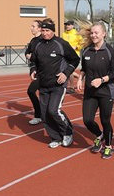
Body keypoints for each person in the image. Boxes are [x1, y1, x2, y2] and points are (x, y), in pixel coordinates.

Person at [30, 20, 80, 148]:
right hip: (43, 84)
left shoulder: (61, 44)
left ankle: (67, 132)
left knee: (54, 111)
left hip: (58, 84)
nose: (45, 33)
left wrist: (66, 73)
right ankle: (55, 137)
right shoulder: (38, 44)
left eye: (48, 31)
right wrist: (33, 70)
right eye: (43, 31)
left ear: (53, 31)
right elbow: (33, 61)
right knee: (45, 113)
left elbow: (75, 60)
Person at [76, 22, 114, 159]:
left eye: (96, 33)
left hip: (106, 91)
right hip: (90, 91)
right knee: (87, 120)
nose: (93, 35)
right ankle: (99, 135)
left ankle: (108, 146)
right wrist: (80, 79)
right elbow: (84, 68)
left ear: (104, 34)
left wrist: (101, 80)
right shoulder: (87, 51)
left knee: (105, 120)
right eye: (92, 33)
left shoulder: (110, 51)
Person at [25, 20, 43, 125]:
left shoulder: (42, 40)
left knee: (31, 91)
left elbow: (38, 56)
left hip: (43, 71)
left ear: (39, 28)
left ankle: (39, 115)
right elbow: (27, 53)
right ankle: (40, 115)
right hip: (35, 70)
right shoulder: (33, 40)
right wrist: (32, 68)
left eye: (33, 26)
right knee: (39, 93)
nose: (31, 28)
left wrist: (33, 57)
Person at [62, 20, 82, 94]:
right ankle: (79, 76)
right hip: (64, 55)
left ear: (73, 26)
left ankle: (72, 87)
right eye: (66, 25)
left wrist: (76, 47)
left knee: (69, 71)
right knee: (65, 69)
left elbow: (82, 43)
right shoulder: (63, 34)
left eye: (69, 25)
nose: (67, 26)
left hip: (74, 55)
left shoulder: (77, 34)